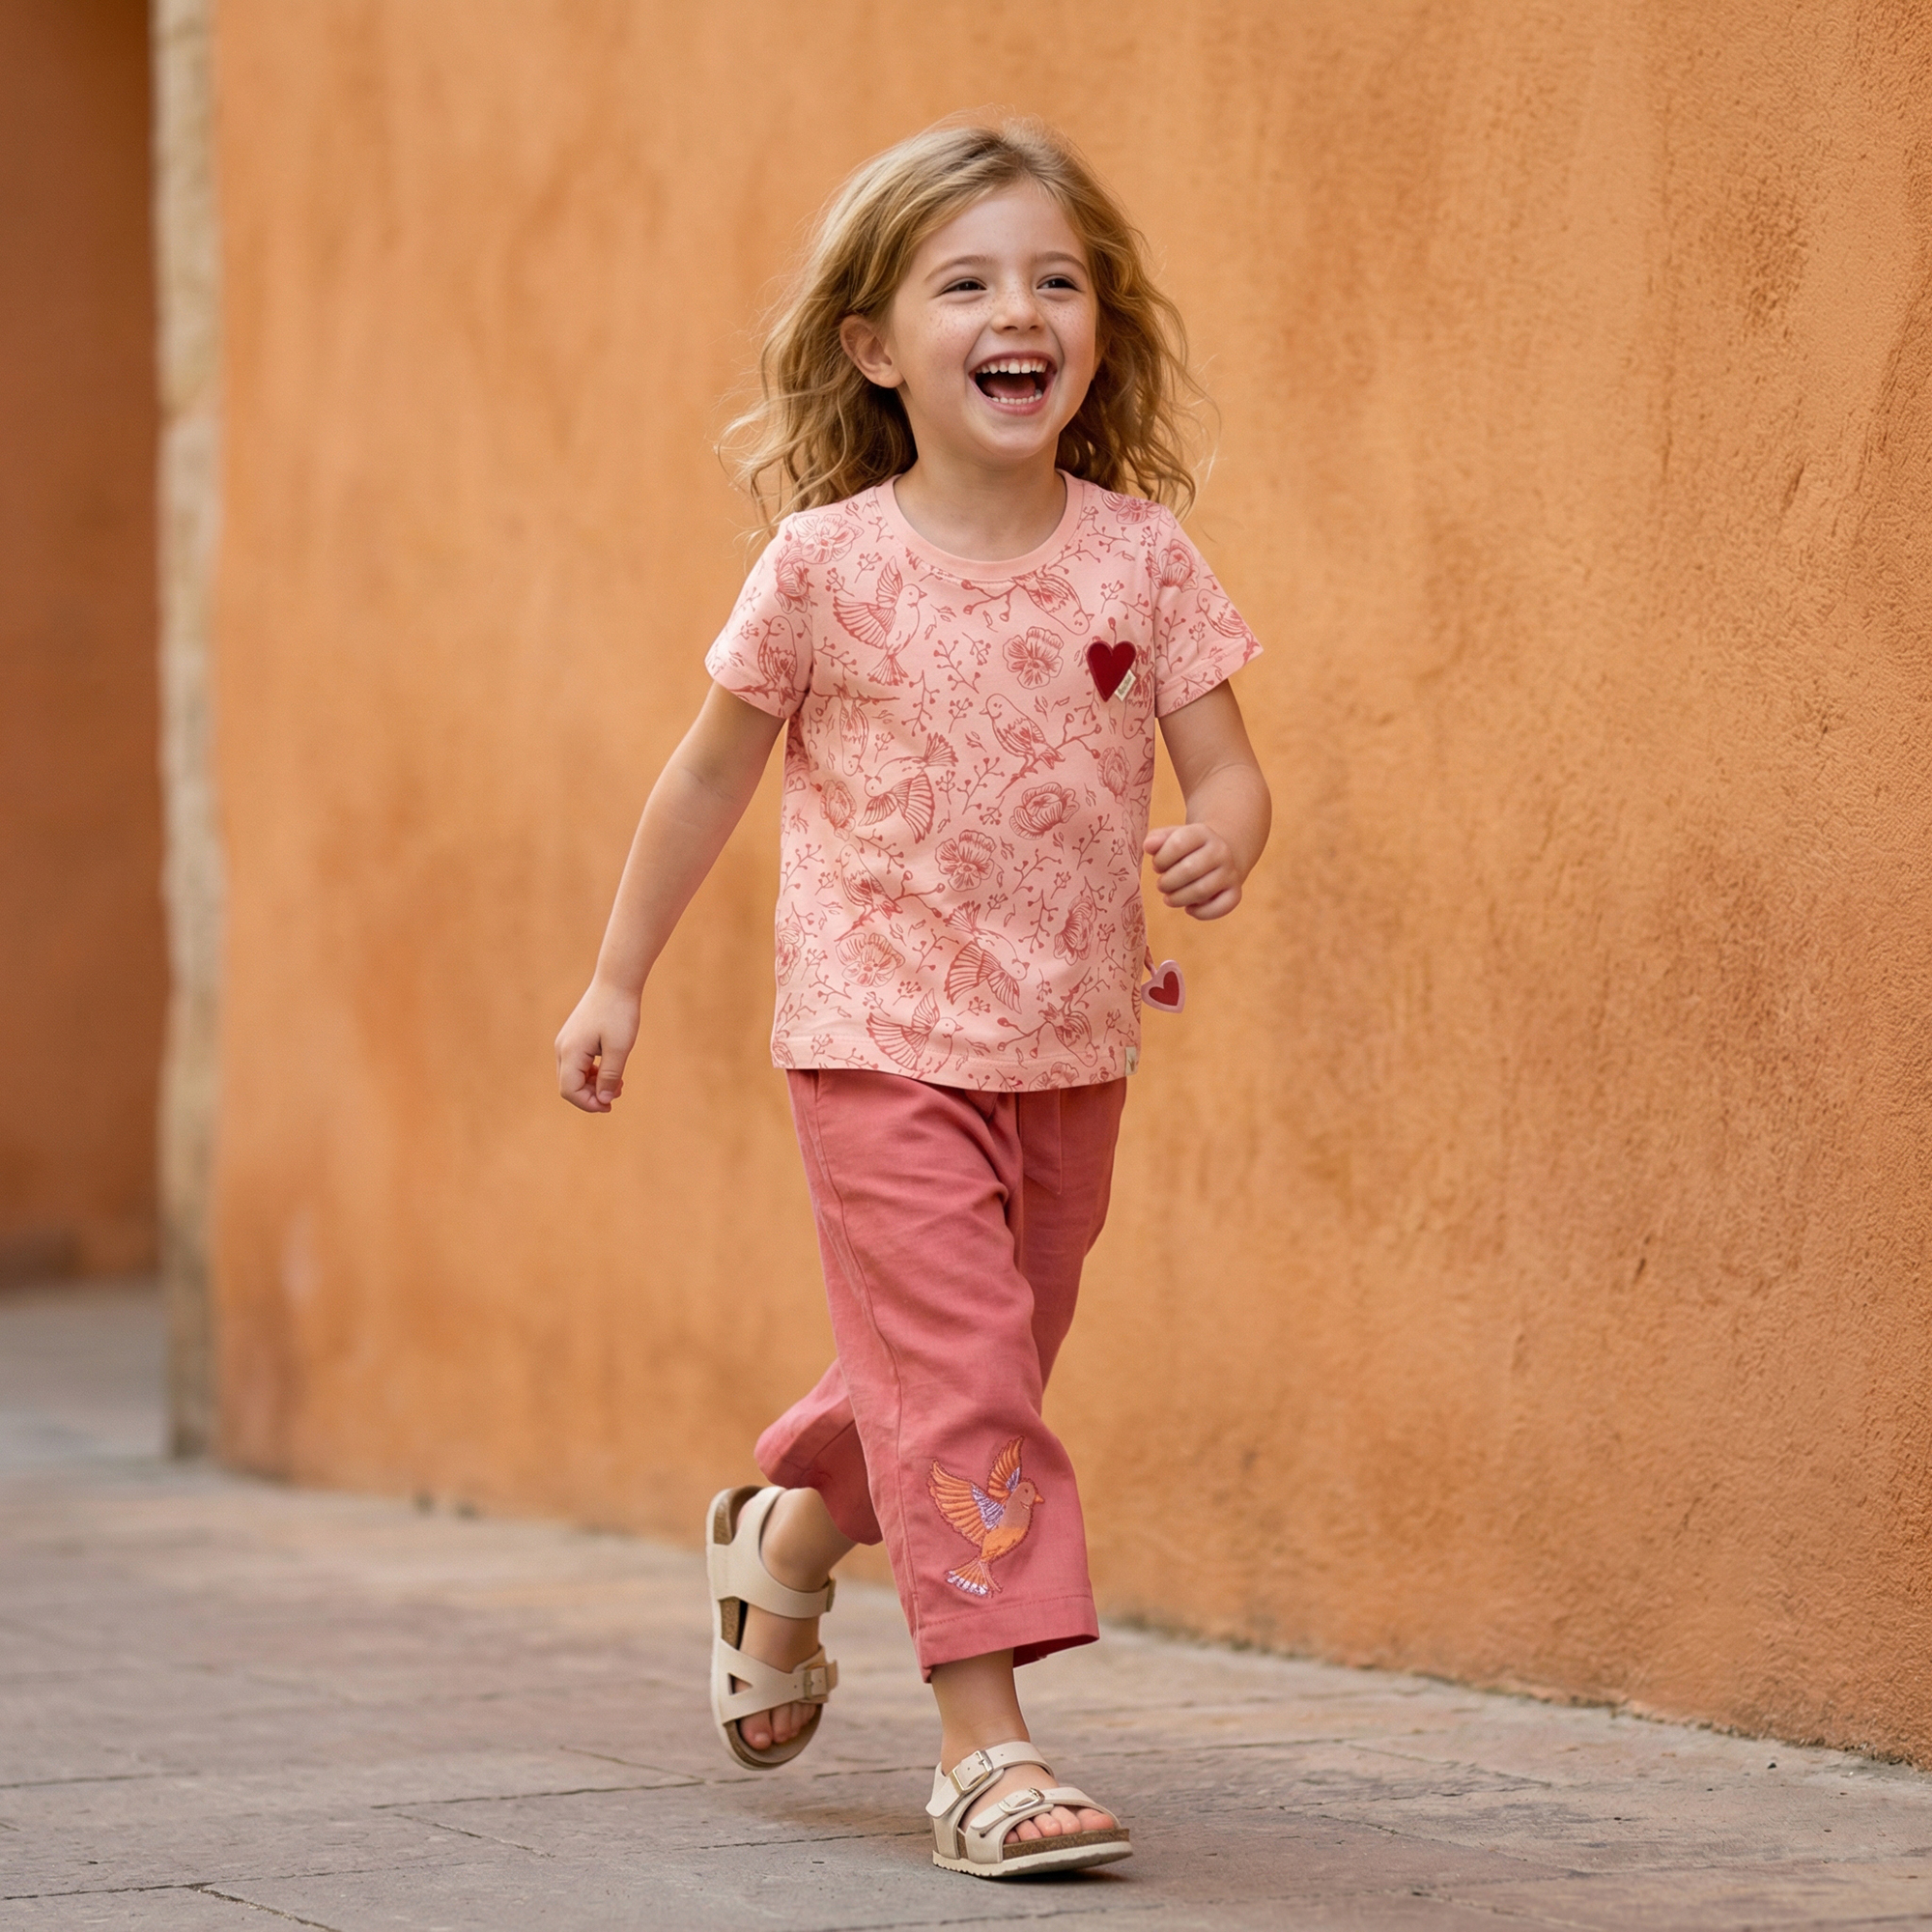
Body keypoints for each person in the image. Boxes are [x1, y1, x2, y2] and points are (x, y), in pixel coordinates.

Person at [555, 118, 1270, 1880]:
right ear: (878, 347)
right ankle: (989, 1751)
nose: (1017, 309)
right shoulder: (824, 564)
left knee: (980, 1361)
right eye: (965, 282)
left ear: (1094, 333)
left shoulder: (1140, 557)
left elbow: (1232, 768)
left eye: (1055, 279)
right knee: (968, 1388)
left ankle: (789, 1540)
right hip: (872, 1035)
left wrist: (1221, 840)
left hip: (1071, 1036)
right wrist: (615, 978)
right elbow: (708, 777)